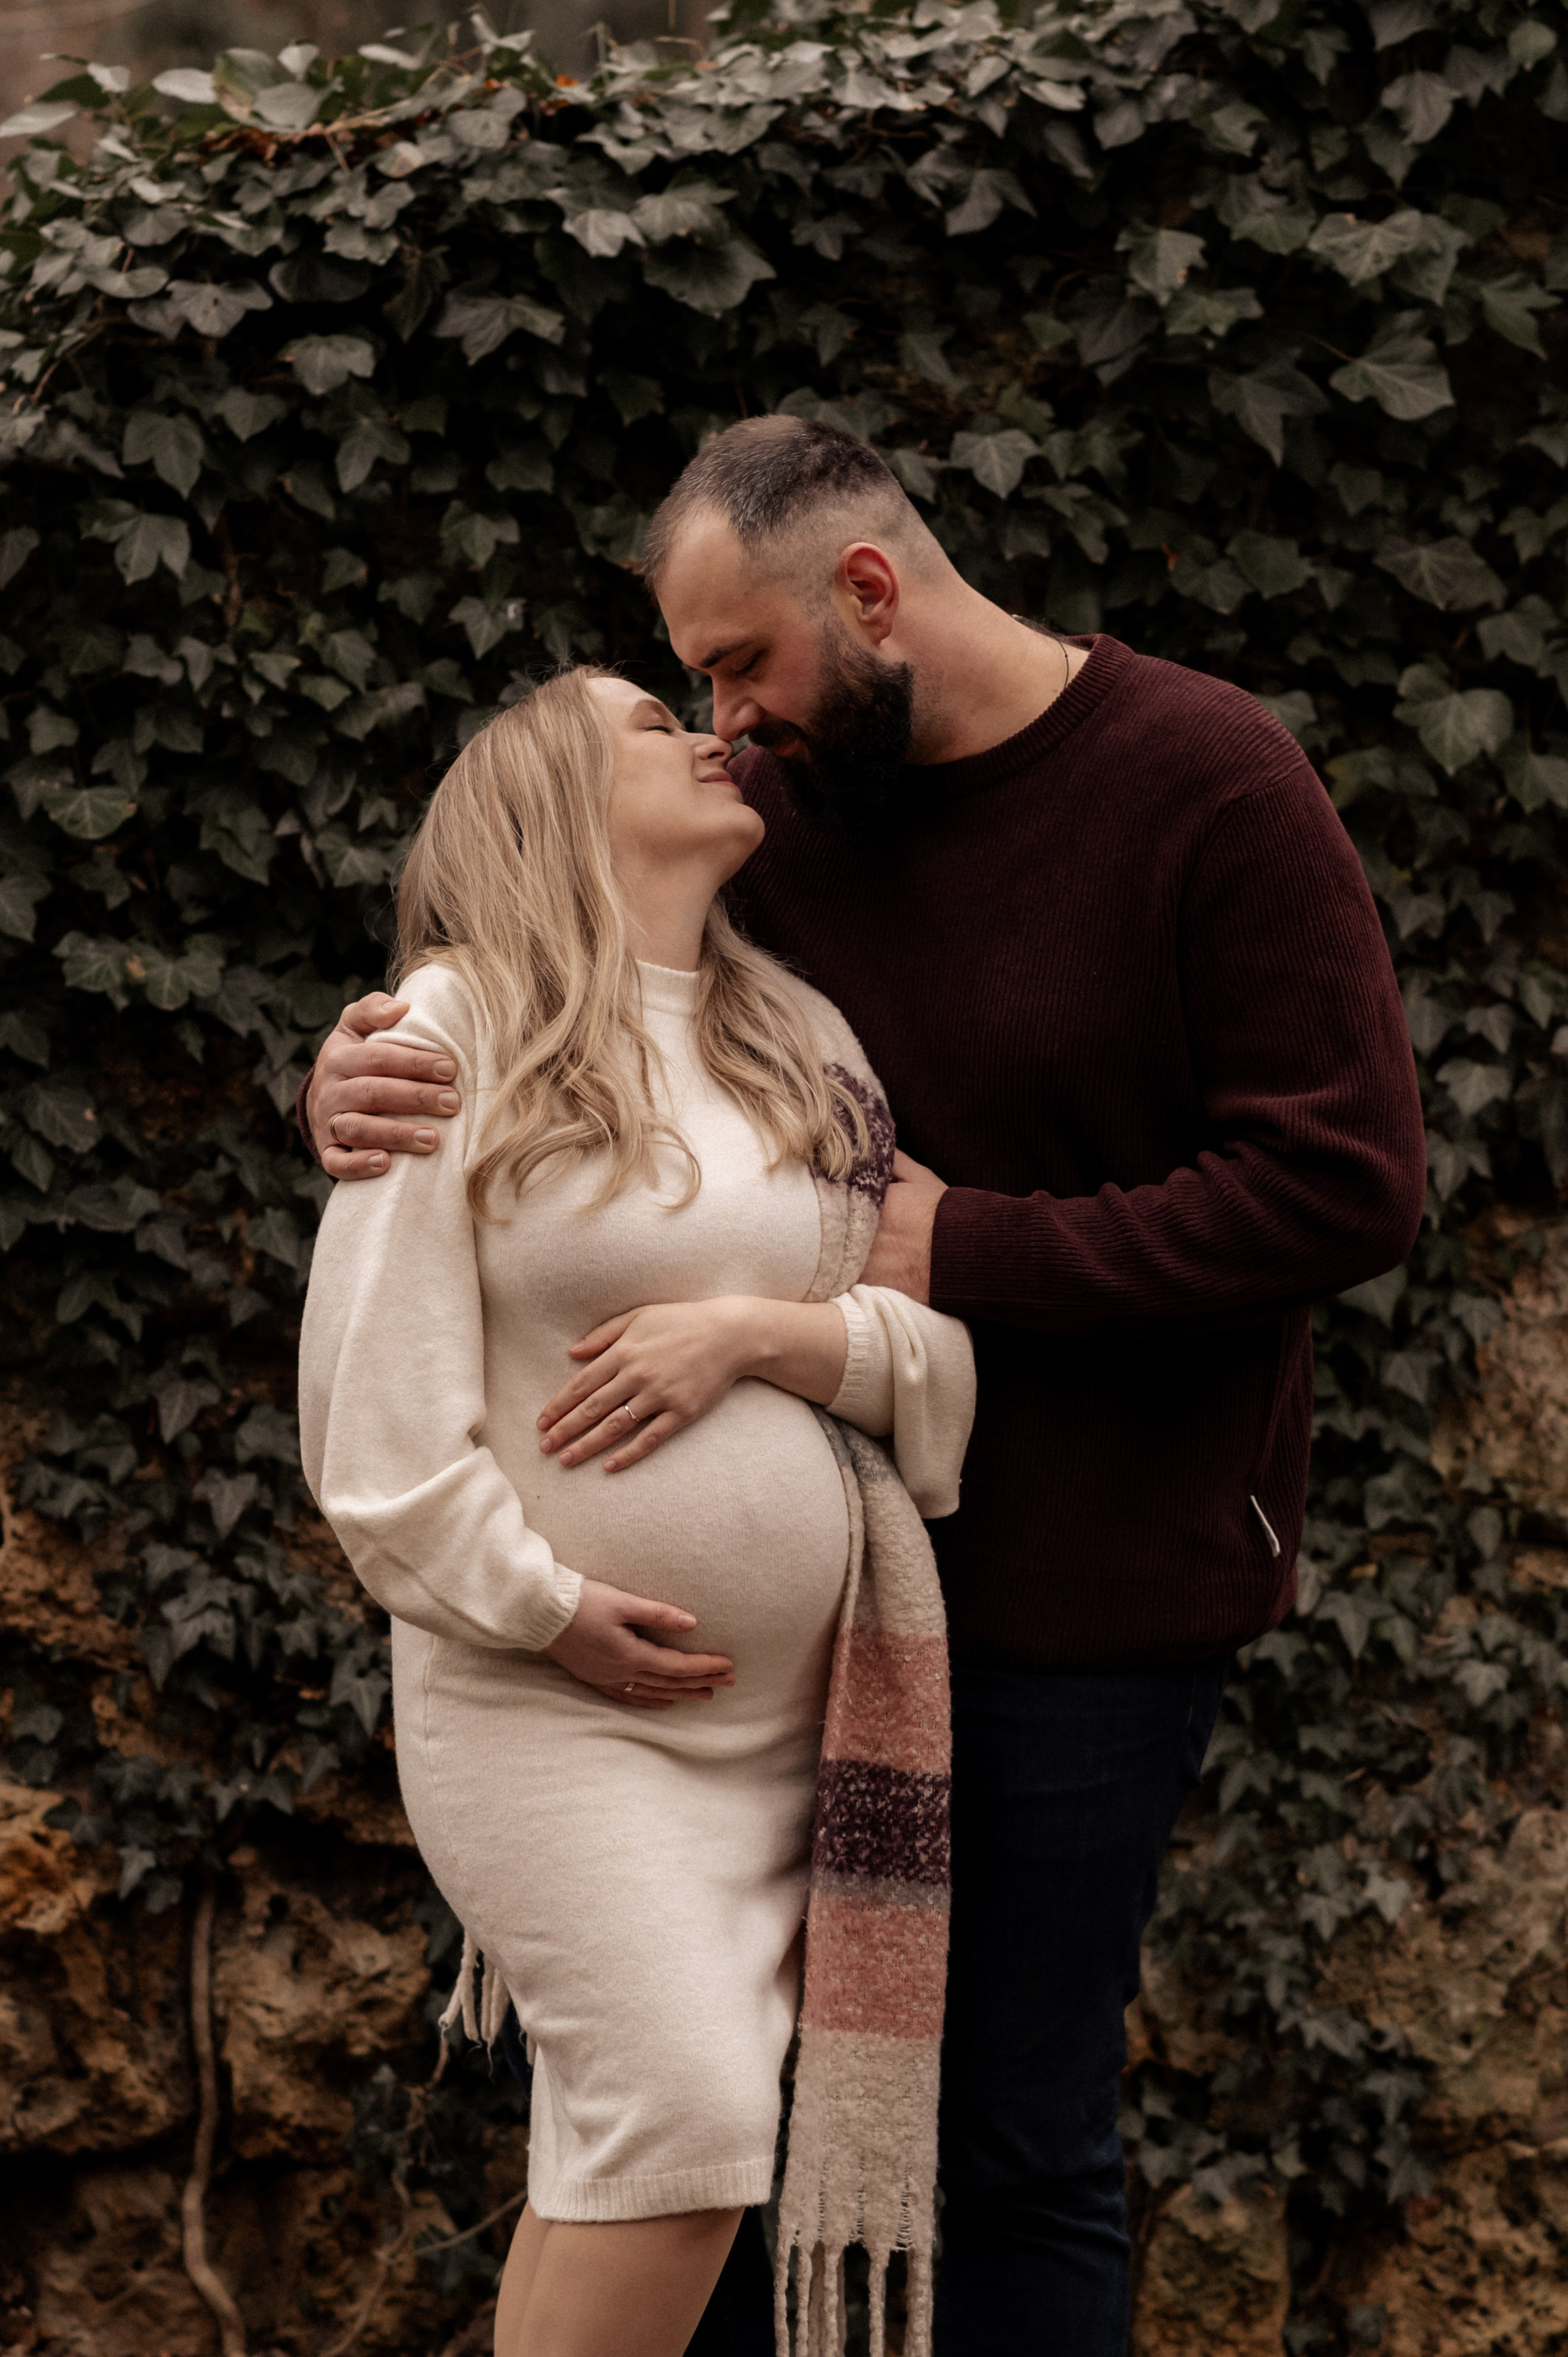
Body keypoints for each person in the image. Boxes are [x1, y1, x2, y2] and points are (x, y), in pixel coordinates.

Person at [301, 418, 1427, 2356]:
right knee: (746, 2126)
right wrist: (360, 1075)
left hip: (1089, 1587)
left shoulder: (1206, 780)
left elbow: (1348, 1180)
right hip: (801, 1661)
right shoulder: (788, 826)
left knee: (1007, 2144)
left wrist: (957, 1254)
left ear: (872, 595)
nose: (724, 726)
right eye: (695, 696)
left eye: (740, 668)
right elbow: (578, 1030)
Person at [297, 665, 976, 2357]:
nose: (705, 732)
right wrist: (548, 1609)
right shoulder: (455, 1030)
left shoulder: (802, 1044)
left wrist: (763, 1333)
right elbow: (374, 1432)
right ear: (547, 801)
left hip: (790, 1740)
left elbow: (931, 1368)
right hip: (552, 1713)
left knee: (636, 2160)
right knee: (684, 2123)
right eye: (645, 725)